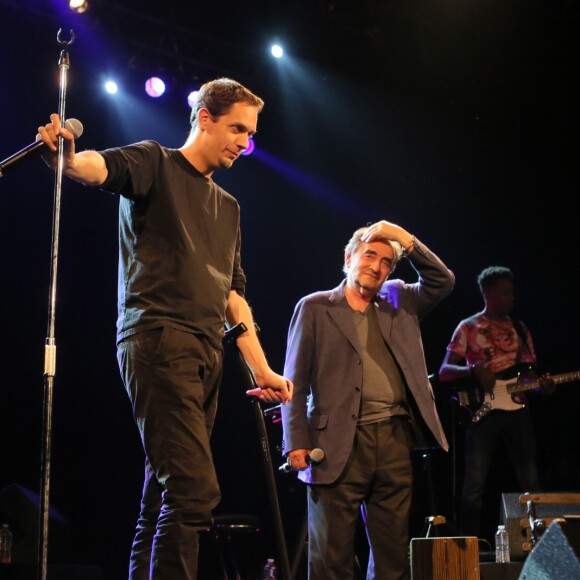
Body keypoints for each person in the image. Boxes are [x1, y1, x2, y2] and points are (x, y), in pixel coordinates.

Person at [37, 78, 293, 580]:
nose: (245, 142)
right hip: (157, 338)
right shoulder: (155, 160)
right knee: (194, 489)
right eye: (237, 128)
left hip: (207, 353)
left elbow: (232, 296)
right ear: (205, 118)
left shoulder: (229, 207)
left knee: (165, 492)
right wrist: (63, 160)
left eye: (250, 133)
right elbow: (96, 168)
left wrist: (262, 368)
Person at [280, 220, 455, 579]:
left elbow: (443, 280)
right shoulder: (315, 307)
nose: (377, 267)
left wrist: (406, 239)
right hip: (333, 445)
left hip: (393, 440)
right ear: (349, 257)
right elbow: (293, 382)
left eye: (387, 261)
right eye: (369, 255)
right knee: (331, 559)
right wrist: (295, 442)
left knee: (392, 559)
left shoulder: (397, 297)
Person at [438, 266, 555, 539]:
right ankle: (468, 545)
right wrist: (473, 370)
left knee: (530, 481)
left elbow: (527, 374)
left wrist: (542, 387)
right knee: (474, 485)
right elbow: (444, 372)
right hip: (483, 412)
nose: (510, 298)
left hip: (518, 411)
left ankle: (543, 541)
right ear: (486, 293)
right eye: (504, 292)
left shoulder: (519, 328)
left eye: (512, 293)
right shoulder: (468, 327)